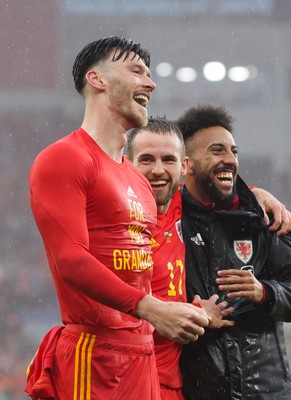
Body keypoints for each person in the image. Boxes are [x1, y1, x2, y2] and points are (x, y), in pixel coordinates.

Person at [24, 37, 210, 400]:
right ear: (98, 80)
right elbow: (71, 261)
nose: (151, 84)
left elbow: (186, 210)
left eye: (150, 75)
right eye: (137, 71)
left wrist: (253, 196)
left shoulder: (138, 181)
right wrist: (150, 307)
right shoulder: (64, 158)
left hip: (144, 359)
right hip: (94, 356)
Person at [126, 116, 291, 400]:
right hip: (126, 378)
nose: (158, 170)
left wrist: (255, 195)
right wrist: (195, 314)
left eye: (168, 159)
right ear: (126, 164)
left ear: (184, 166)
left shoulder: (183, 209)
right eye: (146, 160)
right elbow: (106, 311)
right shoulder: (111, 222)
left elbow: (211, 193)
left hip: (175, 386)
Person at [175, 104, 291, 399]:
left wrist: (265, 291)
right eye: (216, 151)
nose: (230, 160)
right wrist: (192, 313)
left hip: (266, 392)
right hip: (196, 391)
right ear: (187, 164)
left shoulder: (262, 219)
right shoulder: (170, 221)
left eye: (233, 152)